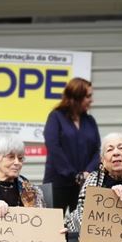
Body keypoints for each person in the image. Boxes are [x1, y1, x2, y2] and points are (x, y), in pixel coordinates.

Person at [43, 77, 100, 213]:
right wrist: (73, 175)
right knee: (53, 226)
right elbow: (54, 147)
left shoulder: (89, 120)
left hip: (84, 184)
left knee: (81, 226)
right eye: (88, 96)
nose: (91, 100)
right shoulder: (56, 117)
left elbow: (98, 150)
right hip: (58, 183)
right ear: (76, 96)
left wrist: (88, 172)